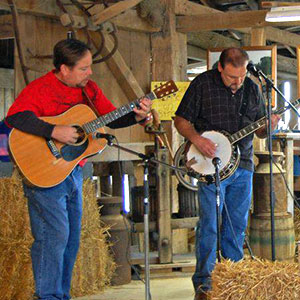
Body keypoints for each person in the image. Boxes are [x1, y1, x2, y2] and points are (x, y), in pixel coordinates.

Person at [5, 38, 152, 300]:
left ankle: (61, 295)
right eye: (83, 68)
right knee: (54, 236)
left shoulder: (89, 90)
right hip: (44, 172)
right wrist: (53, 130)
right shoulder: (41, 89)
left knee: (71, 239)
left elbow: (111, 117)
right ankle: (48, 296)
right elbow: (16, 116)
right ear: (64, 69)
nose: (90, 73)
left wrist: (138, 116)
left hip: (72, 171)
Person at [174, 48, 280, 300]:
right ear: (220, 67)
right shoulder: (202, 84)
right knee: (210, 226)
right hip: (210, 167)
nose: (238, 82)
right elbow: (180, 120)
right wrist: (197, 140)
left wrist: (269, 126)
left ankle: (233, 281)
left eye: (242, 76)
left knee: (237, 226)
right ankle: (205, 285)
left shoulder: (252, 88)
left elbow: (260, 132)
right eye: (232, 76)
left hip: (242, 164)